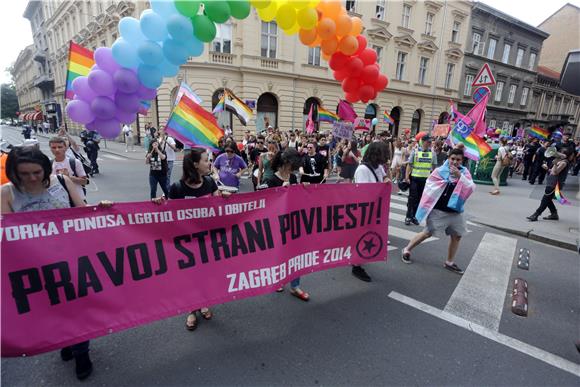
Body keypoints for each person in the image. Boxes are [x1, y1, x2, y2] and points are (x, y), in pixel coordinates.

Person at [0, 146, 112, 380]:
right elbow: (7, 236)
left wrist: (100, 209)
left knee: (77, 307)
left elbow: (82, 214)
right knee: (55, 308)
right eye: (24, 174)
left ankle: (81, 352)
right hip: (35, 265)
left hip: (71, 258)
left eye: (36, 172)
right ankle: (66, 340)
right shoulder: (6, 194)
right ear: (14, 173)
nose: (32, 178)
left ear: (45, 169)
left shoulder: (61, 181)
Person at [153, 148, 229, 329]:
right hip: (186, 243)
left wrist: (224, 197)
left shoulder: (210, 183)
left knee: (205, 275)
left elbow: (218, 208)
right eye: (205, 160)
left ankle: (203, 302)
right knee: (190, 277)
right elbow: (168, 213)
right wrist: (159, 204)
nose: (209, 163)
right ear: (195, 165)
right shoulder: (178, 188)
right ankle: (191, 309)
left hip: (207, 240)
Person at [401, 148, 475, 275]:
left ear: (462, 161)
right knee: (427, 233)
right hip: (438, 211)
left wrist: (460, 177)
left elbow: (471, 187)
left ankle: (449, 262)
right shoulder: (439, 171)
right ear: (448, 158)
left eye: (458, 160)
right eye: (452, 159)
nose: (455, 162)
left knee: (457, 236)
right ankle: (407, 249)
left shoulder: (464, 173)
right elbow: (430, 185)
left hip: (456, 212)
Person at [264, 148, 310, 301]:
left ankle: (295, 286)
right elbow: (265, 205)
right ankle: (279, 279)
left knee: (296, 254)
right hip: (277, 224)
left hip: (293, 222)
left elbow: (297, 200)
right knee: (279, 253)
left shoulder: (292, 178)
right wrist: (280, 192)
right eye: (292, 166)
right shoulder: (270, 179)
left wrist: (304, 190)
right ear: (285, 163)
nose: (294, 169)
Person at [351, 141, 390, 282]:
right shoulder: (362, 170)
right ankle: (356, 266)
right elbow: (362, 194)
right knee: (361, 235)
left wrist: (386, 179)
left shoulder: (378, 166)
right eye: (383, 155)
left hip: (374, 208)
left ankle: (358, 258)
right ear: (375, 155)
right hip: (363, 210)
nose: (385, 159)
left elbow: (383, 176)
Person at [526, 149, 573, 222]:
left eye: (561, 153)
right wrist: (547, 168)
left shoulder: (564, 163)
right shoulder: (560, 161)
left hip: (555, 184)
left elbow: (555, 172)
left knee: (545, 199)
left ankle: (536, 214)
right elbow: (552, 172)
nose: (558, 153)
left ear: (565, 155)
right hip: (551, 182)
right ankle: (554, 214)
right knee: (548, 199)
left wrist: (554, 164)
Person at [404, 136, 435, 225]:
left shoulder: (432, 153)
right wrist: (406, 177)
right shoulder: (416, 151)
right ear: (423, 142)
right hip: (414, 178)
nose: (429, 144)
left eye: (430, 142)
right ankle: (408, 217)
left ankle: (415, 216)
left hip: (425, 180)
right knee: (412, 198)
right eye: (428, 142)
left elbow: (434, 167)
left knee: (420, 199)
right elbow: (409, 165)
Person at [49, 136, 88, 202]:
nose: (57, 150)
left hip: (77, 200)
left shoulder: (75, 162)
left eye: (60, 147)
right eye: (54, 147)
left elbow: (85, 181)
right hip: (59, 201)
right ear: (50, 149)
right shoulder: (49, 164)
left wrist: (68, 178)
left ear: (65, 148)